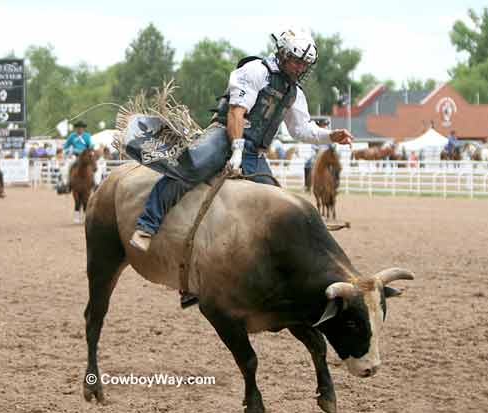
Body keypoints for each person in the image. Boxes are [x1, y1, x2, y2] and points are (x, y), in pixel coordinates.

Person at [130, 28, 353, 257]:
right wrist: (236, 151)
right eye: (297, 61)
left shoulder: (294, 92)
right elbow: (236, 112)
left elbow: (301, 128)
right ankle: (147, 226)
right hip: (224, 138)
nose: (300, 68)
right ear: (284, 54)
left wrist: (330, 136)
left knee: (279, 204)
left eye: (304, 64)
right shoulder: (255, 71)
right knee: (190, 167)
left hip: (254, 153)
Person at [59, 120, 92, 192]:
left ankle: (96, 184)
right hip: (75, 156)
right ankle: (66, 184)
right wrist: (69, 151)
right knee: (66, 167)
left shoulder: (87, 136)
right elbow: (65, 147)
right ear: (76, 128)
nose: (80, 129)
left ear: (83, 128)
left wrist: (88, 151)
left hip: (85, 156)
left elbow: (90, 146)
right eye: (78, 128)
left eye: (81, 128)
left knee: (96, 167)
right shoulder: (72, 136)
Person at [305, 118, 330, 191]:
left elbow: (331, 146)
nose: (325, 127)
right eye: (323, 125)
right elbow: (313, 146)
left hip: (326, 155)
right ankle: (307, 185)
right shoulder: (316, 134)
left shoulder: (329, 134)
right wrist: (317, 151)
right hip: (317, 154)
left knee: (334, 165)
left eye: (325, 125)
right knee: (308, 164)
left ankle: (335, 182)